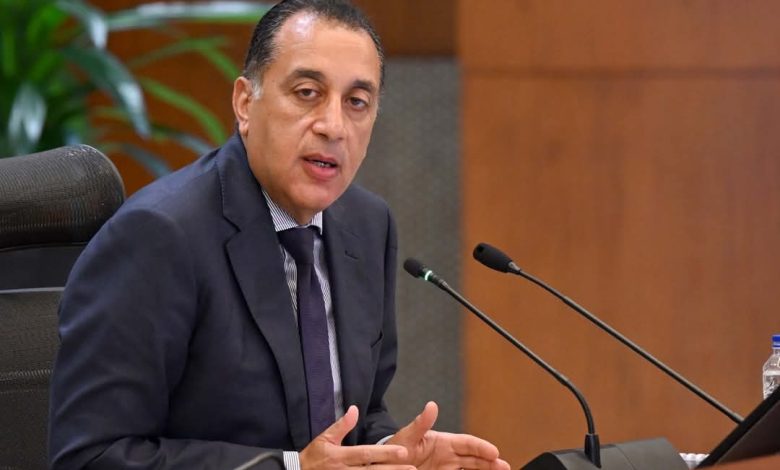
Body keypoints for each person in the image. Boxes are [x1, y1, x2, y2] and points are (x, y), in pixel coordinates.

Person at [48, 1, 511, 469]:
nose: (333, 127)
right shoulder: (158, 237)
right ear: (245, 103)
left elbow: (359, 413)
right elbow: (90, 456)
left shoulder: (368, 225)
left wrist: (392, 452)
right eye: (308, 92)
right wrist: (291, 467)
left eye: (356, 102)